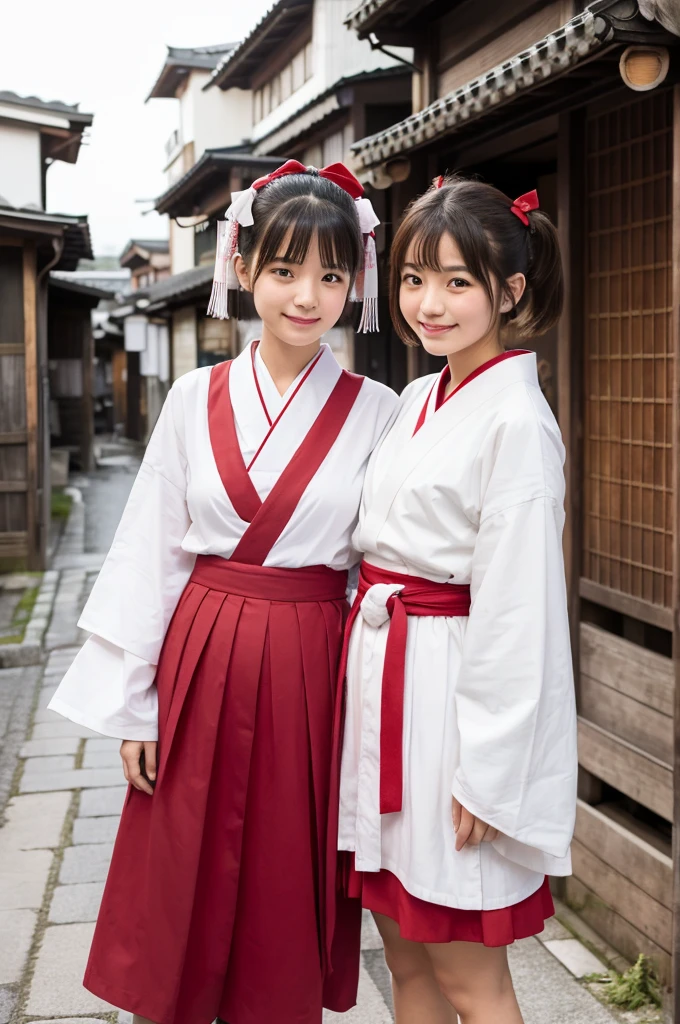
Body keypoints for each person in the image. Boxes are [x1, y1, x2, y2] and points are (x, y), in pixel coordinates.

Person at [48, 160, 398, 1024]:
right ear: (241, 268)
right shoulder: (191, 397)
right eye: (283, 271)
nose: (306, 295)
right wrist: (136, 707)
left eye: (330, 274)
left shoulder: (379, 409)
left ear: (356, 281)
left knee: (285, 865)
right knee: (180, 868)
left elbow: (389, 558)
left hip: (314, 658)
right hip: (199, 654)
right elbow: (149, 554)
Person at [334, 175, 578, 1024]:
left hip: (450, 707)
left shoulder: (517, 422)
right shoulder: (415, 399)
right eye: (412, 278)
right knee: (405, 960)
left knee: (473, 980)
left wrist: (489, 771)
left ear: (509, 290)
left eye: (457, 282)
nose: (429, 304)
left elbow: (520, 614)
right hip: (388, 688)